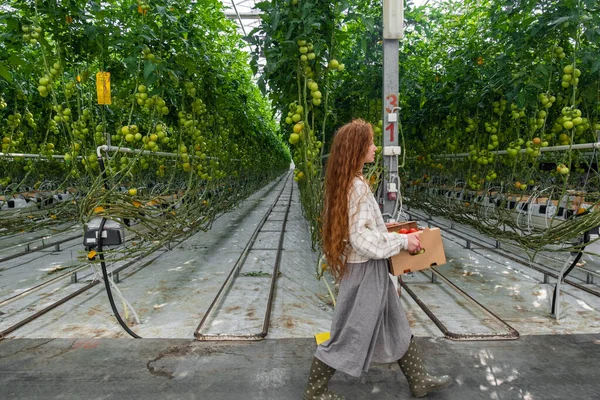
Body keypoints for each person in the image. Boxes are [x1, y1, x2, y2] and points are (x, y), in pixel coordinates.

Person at [303, 119, 452, 399]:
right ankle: (314, 390)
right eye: (370, 143)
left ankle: (418, 380)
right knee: (350, 332)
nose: (375, 148)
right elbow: (360, 238)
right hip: (364, 273)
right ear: (358, 149)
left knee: (396, 324)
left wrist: (394, 236)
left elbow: (362, 230)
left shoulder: (351, 182)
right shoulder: (356, 187)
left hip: (367, 270)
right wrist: (402, 241)